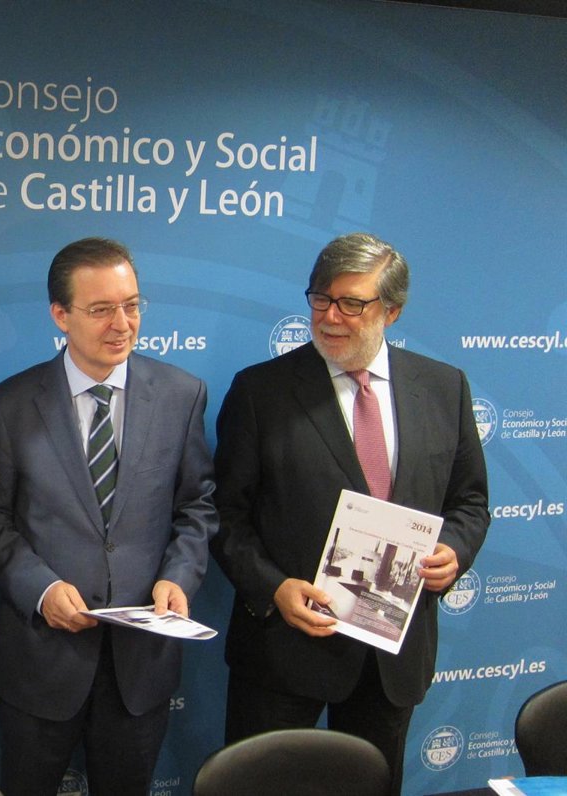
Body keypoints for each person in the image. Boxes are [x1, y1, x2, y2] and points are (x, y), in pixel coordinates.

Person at [210, 232, 489, 795]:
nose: (330, 317)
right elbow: (226, 516)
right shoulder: (260, 391)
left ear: (393, 310)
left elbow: (470, 502)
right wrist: (274, 589)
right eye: (321, 299)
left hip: (391, 657)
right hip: (284, 651)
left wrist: (455, 551)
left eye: (352, 304)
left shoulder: (444, 388)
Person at [0, 237, 218, 796]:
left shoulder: (181, 395)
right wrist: (40, 589)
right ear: (60, 315)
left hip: (141, 666)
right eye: (102, 309)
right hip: (42, 662)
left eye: (131, 305)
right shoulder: (11, 404)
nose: (122, 324)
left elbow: (196, 506)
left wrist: (179, 577)